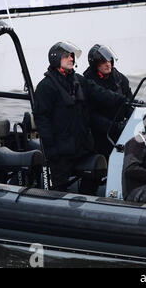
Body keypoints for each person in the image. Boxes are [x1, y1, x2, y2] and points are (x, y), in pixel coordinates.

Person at [33, 41, 125, 195]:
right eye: (67, 57)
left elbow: (99, 92)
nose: (71, 59)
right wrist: (51, 149)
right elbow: (42, 120)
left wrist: (122, 99)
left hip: (82, 148)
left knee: (96, 169)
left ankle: (85, 201)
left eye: (71, 56)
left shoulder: (78, 80)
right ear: (56, 59)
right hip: (60, 151)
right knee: (59, 188)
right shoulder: (46, 86)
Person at [83, 44, 133, 158]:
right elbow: (90, 114)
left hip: (121, 131)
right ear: (95, 64)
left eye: (109, 60)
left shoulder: (120, 79)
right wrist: (113, 126)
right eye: (103, 61)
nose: (107, 64)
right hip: (100, 135)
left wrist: (130, 123)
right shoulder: (88, 82)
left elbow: (129, 103)